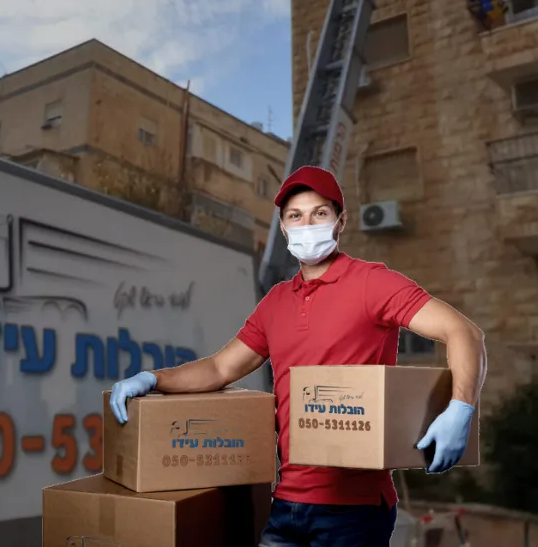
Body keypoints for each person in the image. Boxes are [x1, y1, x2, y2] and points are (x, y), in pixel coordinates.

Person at [109, 165, 487, 547]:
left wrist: (460, 410)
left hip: (354, 510)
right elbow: (221, 368)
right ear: (283, 227)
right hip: (287, 503)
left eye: (319, 213)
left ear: (340, 222)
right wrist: (153, 379)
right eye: (295, 216)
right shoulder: (275, 302)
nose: (307, 225)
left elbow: (463, 332)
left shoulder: (373, 283)